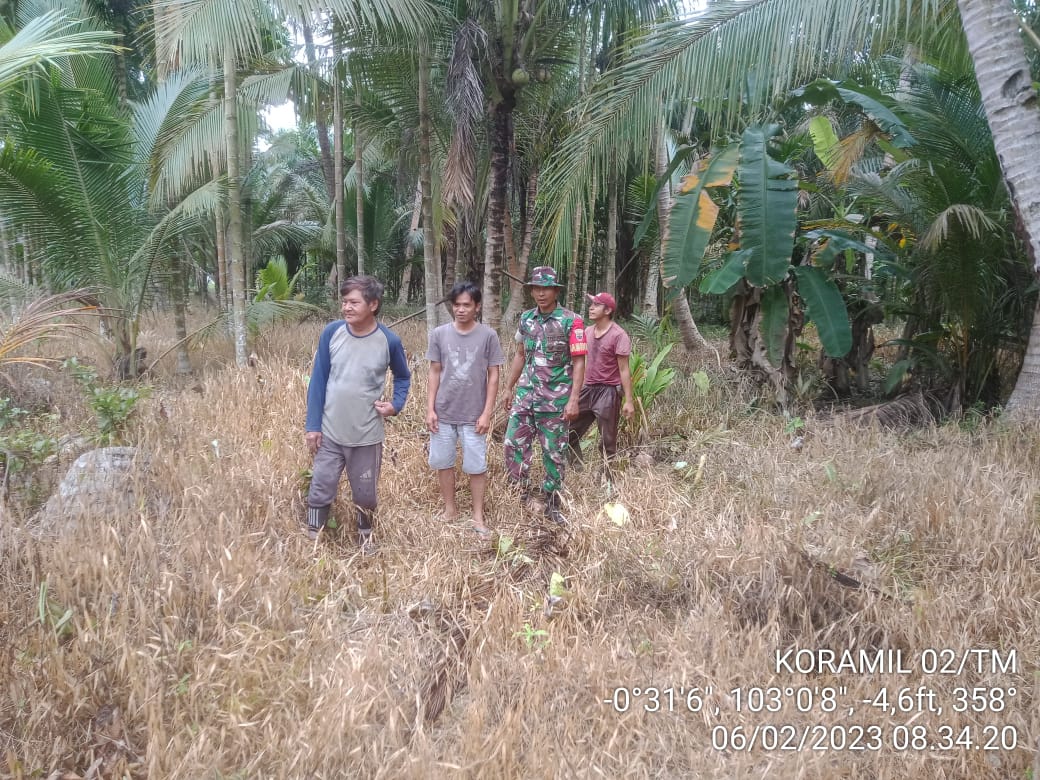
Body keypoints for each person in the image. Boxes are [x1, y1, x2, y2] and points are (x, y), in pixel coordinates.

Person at [304, 276, 411, 553]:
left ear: (373, 305)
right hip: (330, 431)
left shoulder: (389, 341)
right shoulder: (332, 333)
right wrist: (313, 426)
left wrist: (395, 405)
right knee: (321, 485)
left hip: (366, 434)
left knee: (365, 493)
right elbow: (318, 380)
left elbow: (402, 377)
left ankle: (365, 538)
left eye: (354, 302)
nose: (346, 308)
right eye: (344, 302)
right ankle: (313, 537)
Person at [502, 266, 586, 525]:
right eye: (536, 288)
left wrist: (573, 399)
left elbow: (579, 361)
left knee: (554, 452)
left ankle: (552, 500)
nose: (541, 293)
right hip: (526, 397)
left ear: (555, 290)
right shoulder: (526, 318)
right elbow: (520, 354)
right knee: (513, 444)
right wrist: (509, 386)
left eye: (546, 288)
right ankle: (519, 493)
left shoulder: (572, 321)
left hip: (555, 401)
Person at [426, 281, 505, 537]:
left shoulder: (488, 336)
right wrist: (430, 408)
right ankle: (450, 510)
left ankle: (477, 516)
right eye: (457, 305)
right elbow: (434, 372)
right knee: (443, 462)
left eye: (466, 305)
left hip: (474, 415)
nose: (461, 310)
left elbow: (494, 375)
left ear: (477, 307)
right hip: (444, 411)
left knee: (476, 466)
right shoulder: (439, 334)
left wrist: (486, 412)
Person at [568, 292, 635, 469]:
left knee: (607, 441)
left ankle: (608, 479)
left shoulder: (619, 335)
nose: (591, 308)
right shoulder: (587, 332)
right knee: (567, 433)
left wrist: (628, 400)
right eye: (592, 304)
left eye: (596, 305)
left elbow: (624, 369)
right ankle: (578, 469)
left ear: (608, 310)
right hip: (588, 388)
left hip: (608, 392)